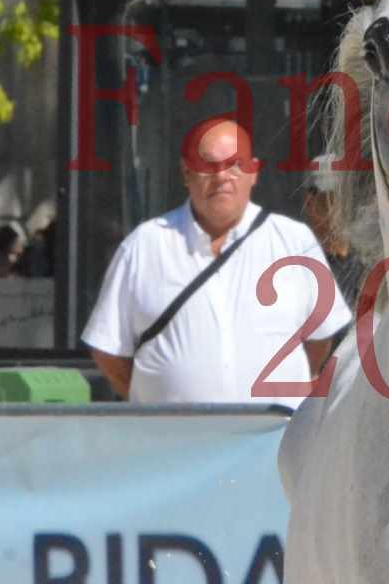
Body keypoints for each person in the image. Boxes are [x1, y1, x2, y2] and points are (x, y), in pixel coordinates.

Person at [82, 117, 351, 407]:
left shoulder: (295, 242)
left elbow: (321, 337)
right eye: (208, 165)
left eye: (235, 164)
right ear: (186, 173)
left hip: (271, 442)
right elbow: (108, 351)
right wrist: (153, 401)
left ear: (254, 172)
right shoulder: (144, 246)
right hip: (171, 445)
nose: (222, 176)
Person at [302, 157, 364, 310]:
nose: (341, 205)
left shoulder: (370, 261)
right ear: (310, 202)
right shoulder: (298, 270)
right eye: (332, 197)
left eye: (347, 196)